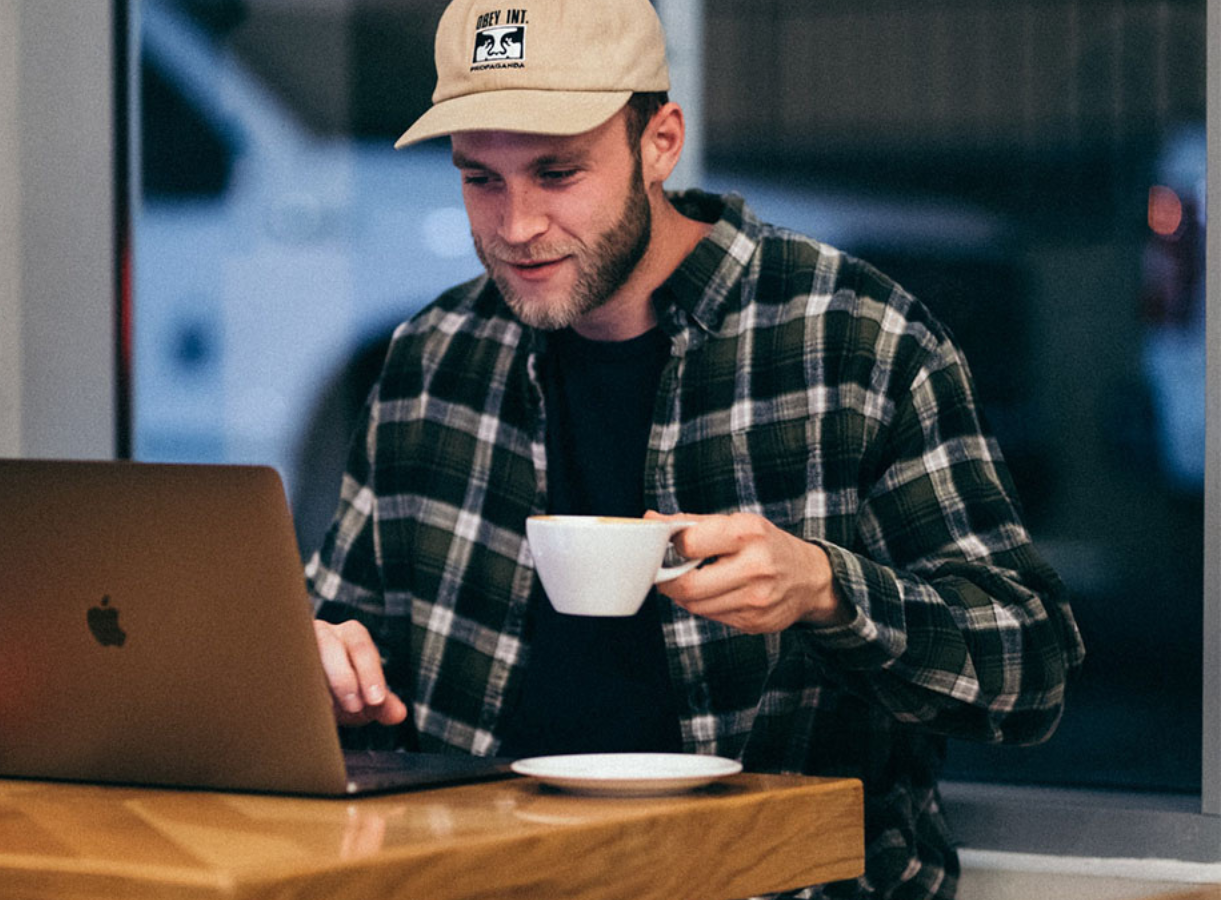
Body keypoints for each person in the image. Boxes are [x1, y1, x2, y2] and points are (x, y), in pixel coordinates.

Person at [303, 1, 1085, 897]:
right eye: (481, 179)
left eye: (558, 173)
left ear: (660, 142)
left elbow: (1031, 673)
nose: (516, 227)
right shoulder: (431, 357)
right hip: (484, 876)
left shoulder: (858, 343)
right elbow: (335, 635)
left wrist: (828, 591)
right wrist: (324, 669)